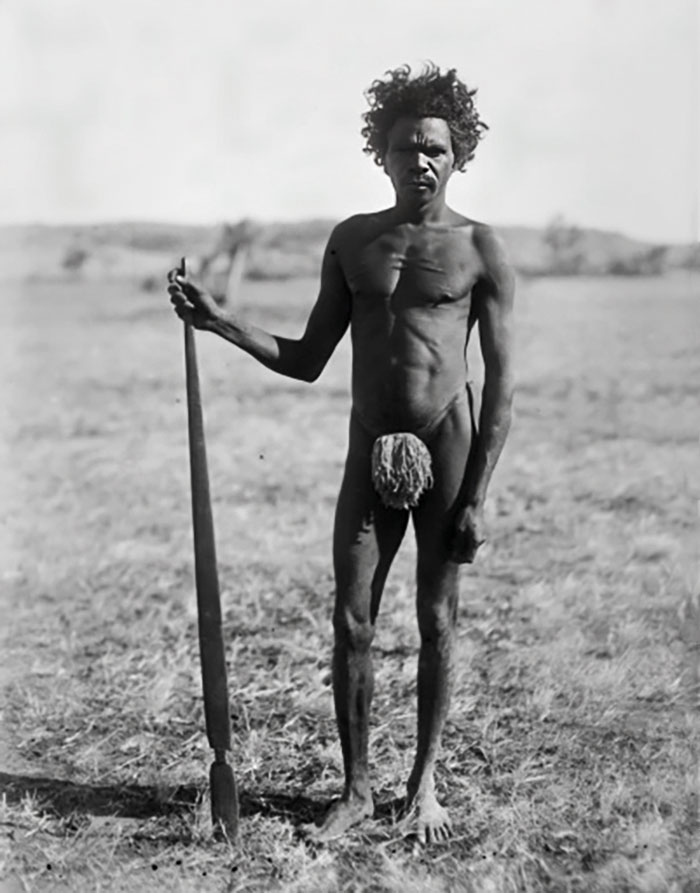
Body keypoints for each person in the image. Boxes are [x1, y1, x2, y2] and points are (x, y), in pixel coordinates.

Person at [168, 63, 515, 844]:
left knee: (436, 618)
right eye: (405, 147)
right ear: (381, 155)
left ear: (458, 156)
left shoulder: (480, 249)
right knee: (351, 618)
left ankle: (422, 786)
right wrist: (222, 323)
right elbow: (307, 356)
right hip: (370, 443)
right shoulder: (353, 241)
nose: (419, 160)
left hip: (447, 441)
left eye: (434, 148)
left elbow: (502, 385)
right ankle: (357, 789)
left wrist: (479, 495)